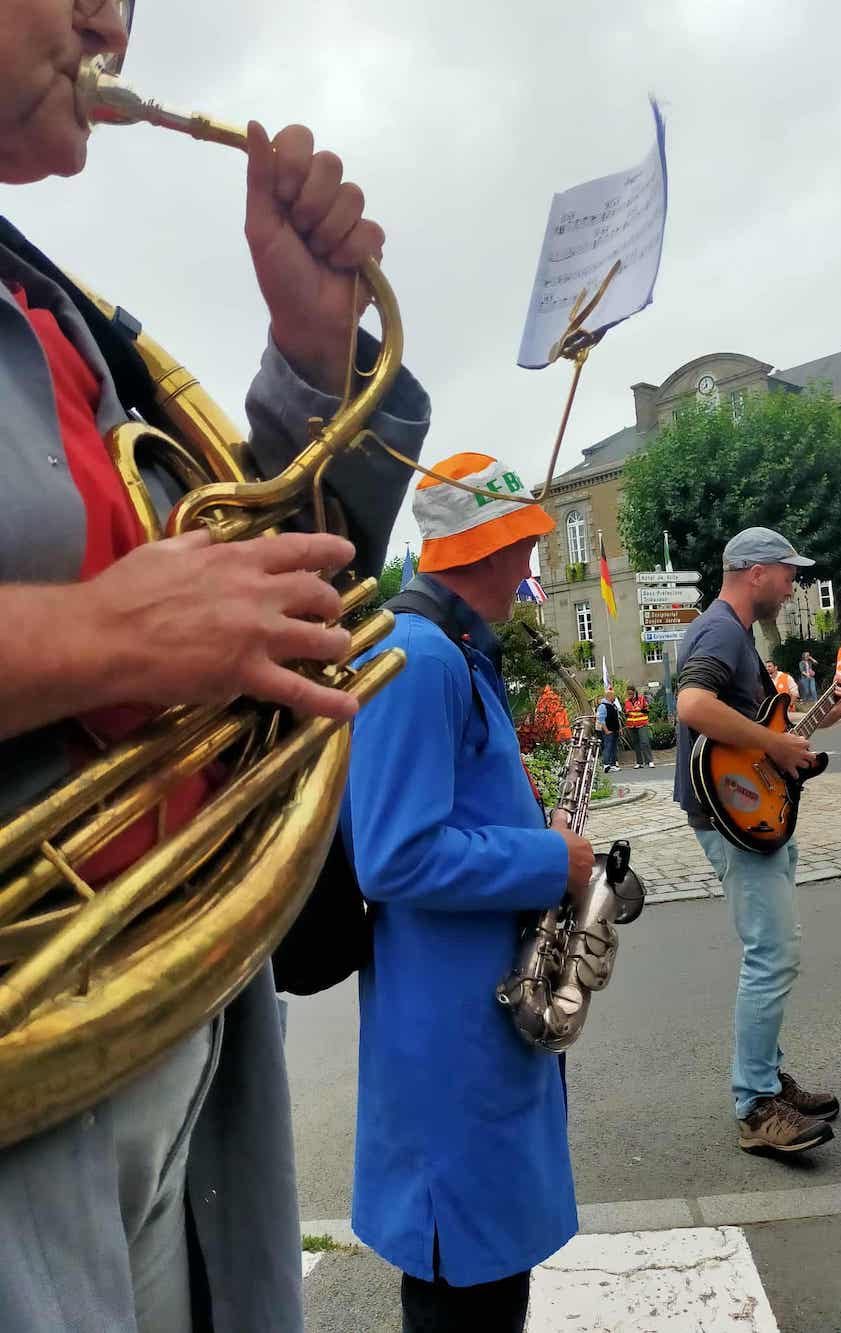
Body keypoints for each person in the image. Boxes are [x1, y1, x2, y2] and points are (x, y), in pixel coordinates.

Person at [0, 5, 430, 1331]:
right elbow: (145, 619)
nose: (111, 17)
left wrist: (313, 359)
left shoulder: (56, 305)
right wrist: (101, 638)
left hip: (174, 1068)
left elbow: (253, 584)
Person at [341, 452, 595, 1333]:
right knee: (467, 1298)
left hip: (470, 1024)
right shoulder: (419, 656)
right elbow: (394, 856)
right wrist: (549, 861)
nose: (529, 565)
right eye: (521, 543)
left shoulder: (443, 649)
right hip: (452, 1038)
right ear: (482, 553)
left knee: (491, 1286)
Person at [674, 527, 841, 1155]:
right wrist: (776, 745)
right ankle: (755, 1106)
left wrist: (827, 713)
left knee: (776, 949)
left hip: (753, 813)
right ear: (756, 572)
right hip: (734, 817)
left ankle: (768, 1080)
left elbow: (761, 727)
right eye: (788, 572)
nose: (793, 583)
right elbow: (694, 705)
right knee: (771, 955)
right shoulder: (722, 630)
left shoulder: (737, 634)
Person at [624, 683, 655, 768]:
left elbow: (647, 710)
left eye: (631, 693)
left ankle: (649, 761)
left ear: (634, 692)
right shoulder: (626, 701)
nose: (629, 695)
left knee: (645, 742)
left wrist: (640, 709)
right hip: (631, 725)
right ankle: (639, 762)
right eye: (628, 694)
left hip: (642, 724)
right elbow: (626, 714)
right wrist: (627, 712)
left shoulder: (641, 699)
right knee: (636, 744)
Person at [597, 685, 622, 772]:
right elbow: (601, 719)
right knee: (608, 747)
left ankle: (613, 764)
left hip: (615, 730)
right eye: (613, 696)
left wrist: (620, 729)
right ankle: (606, 764)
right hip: (608, 731)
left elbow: (617, 718)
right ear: (609, 697)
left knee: (614, 748)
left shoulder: (614, 706)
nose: (614, 698)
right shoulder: (603, 706)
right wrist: (606, 730)